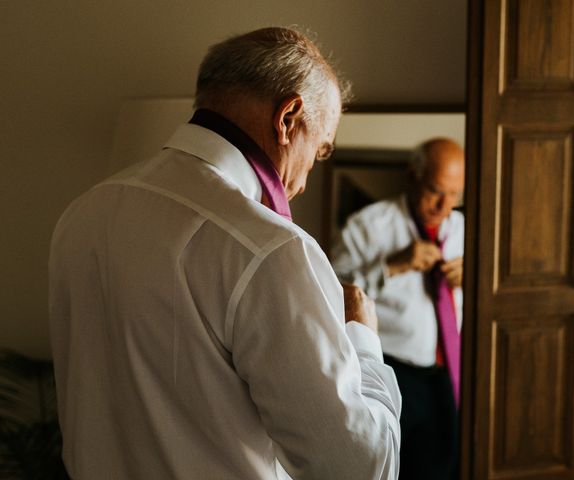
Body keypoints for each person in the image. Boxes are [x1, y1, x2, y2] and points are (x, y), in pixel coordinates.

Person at [49, 27, 401, 480]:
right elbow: (359, 468)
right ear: (289, 118)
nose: (305, 181)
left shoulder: (83, 215)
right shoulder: (271, 250)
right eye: (320, 149)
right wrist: (363, 342)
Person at [331, 138, 465, 480]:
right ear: (413, 176)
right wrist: (389, 266)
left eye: (454, 195)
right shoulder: (369, 226)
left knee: (445, 466)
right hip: (393, 369)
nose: (443, 205)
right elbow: (332, 292)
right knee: (390, 467)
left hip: (446, 371)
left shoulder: (464, 230)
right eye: (436, 190)